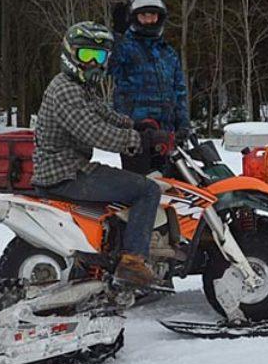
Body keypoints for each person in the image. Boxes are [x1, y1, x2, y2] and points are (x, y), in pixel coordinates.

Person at [31, 21, 169, 288]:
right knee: (147, 190)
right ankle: (132, 263)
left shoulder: (80, 87)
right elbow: (94, 131)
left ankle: (107, 255)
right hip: (65, 174)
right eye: (87, 55)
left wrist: (136, 125)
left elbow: (103, 114)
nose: (94, 63)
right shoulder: (66, 90)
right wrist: (138, 140)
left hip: (70, 169)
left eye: (100, 56)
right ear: (71, 55)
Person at [109, 0, 190, 173]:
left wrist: (183, 124)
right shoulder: (125, 48)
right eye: (144, 15)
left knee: (172, 183)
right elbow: (108, 65)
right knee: (142, 184)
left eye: (153, 15)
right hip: (137, 134)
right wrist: (117, 34)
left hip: (167, 134)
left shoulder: (168, 53)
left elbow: (179, 92)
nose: (149, 20)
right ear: (134, 18)